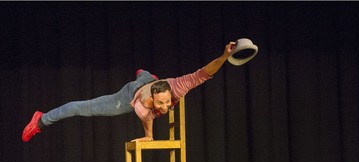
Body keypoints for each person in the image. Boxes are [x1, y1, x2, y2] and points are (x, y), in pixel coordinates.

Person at [22, 42, 237, 143]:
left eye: (166, 102)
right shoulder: (144, 106)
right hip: (129, 95)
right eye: (160, 104)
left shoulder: (179, 86)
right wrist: (148, 137)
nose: (164, 107)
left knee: (144, 75)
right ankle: (41, 120)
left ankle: (143, 73)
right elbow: (149, 130)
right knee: (81, 108)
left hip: (150, 80)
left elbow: (205, 73)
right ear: (153, 99)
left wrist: (225, 55)